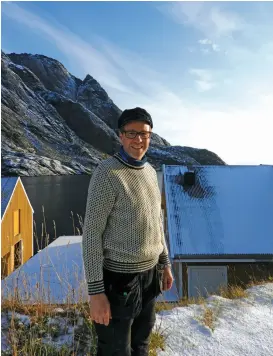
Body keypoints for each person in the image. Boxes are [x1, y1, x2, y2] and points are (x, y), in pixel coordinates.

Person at [82, 107, 174, 356]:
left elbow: (156, 220)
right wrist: (96, 293)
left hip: (150, 277)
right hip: (119, 281)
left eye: (144, 134)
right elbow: (91, 234)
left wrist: (164, 263)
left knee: (141, 345)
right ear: (120, 136)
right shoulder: (107, 174)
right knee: (115, 350)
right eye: (131, 133)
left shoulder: (149, 173)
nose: (138, 140)